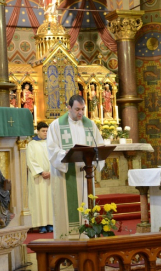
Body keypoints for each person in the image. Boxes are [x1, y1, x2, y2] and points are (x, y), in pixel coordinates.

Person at [47, 95, 104, 239]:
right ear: (69, 108)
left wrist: (96, 158)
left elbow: (100, 145)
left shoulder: (90, 125)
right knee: (67, 212)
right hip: (66, 176)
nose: (81, 113)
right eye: (77, 109)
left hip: (86, 176)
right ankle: (66, 242)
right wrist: (64, 154)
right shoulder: (56, 126)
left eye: (83, 109)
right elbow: (51, 150)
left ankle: (88, 237)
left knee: (86, 208)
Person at [27, 122, 54, 233]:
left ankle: (50, 223)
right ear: (37, 131)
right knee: (39, 200)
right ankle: (41, 225)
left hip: (50, 176)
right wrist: (41, 172)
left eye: (47, 131)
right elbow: (30, 160)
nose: (45, 133)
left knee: (49, 200)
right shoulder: (31, 144)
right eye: (43, 131)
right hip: (38, 177)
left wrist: (51, 172)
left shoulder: (51, 144)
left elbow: (55, 158)